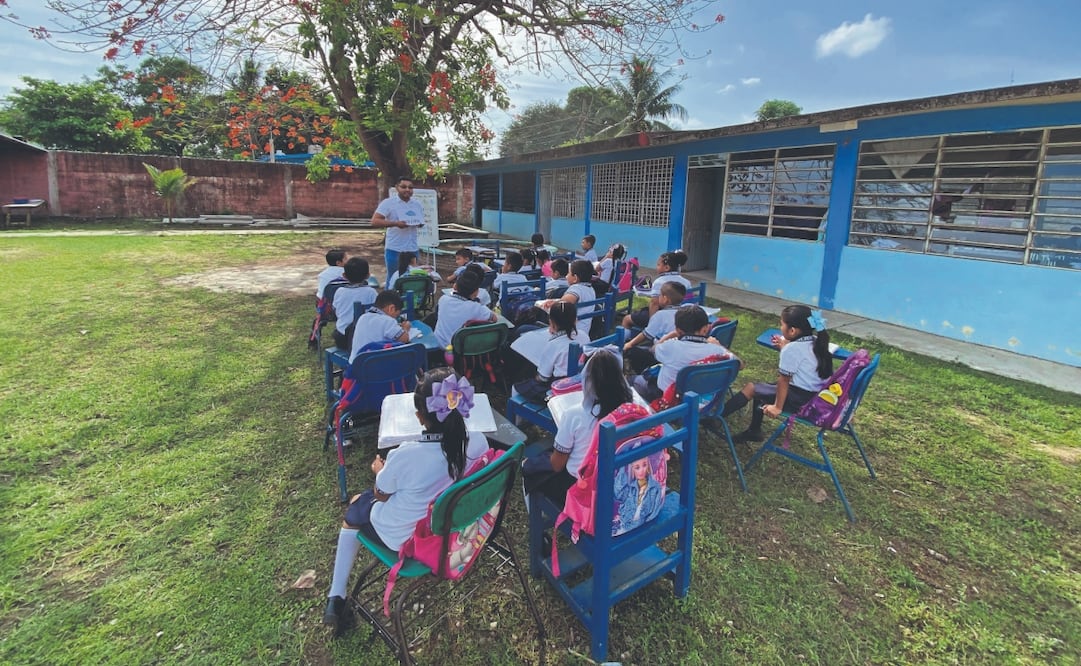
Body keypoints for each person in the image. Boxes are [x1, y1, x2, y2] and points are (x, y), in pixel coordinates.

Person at [322, 369, 488, 636]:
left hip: (406, 536)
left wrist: (379, 470)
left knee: (355, 508)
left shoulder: (406, 455)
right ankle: (336, 598)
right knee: (363, 502)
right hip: (446, 526)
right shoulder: (477, 442)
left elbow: (381, 494)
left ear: (421, 417)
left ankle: (336, 597)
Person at [521, 348, 631, 507]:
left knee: (530, 467)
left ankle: (539, 526)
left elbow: (557, 465)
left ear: (587, 380)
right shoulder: (630, 410)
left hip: (583, 490)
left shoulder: (575, 414)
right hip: (620, 483)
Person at [722, 305, 833, 443]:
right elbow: (800, 362)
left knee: (751, 388)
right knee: (762, 389)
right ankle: (754, 431)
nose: (780, 328)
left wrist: (777, 407)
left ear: (792, 331)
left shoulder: (792, 349)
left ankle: (715, 417)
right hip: (816, 395)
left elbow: (784, 381)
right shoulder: (816, 341)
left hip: (801, 400)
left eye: (781, 325)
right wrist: (784, 347)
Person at [633, 305, 732, 402]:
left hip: (668, 400)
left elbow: (654, 349)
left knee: (633, 380)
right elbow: (739, 364)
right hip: (703, 401)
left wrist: (671, 334)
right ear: (705, 329)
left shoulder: (670, 346)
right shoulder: (716, 350)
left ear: (678, 330)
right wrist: (720, 346)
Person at [509, 301, 578, 401]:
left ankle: (517, 415)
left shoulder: (553, 344)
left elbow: (543, 378)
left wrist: (534, 377)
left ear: (551, 322)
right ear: (575, 320)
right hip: (577, 383)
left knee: (517, 387)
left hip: (556, 389)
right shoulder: (584, 335)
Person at [371, 175, 424, 288]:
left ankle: (409, 302)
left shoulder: (417, 204)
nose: (407, 190)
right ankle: (388, 302)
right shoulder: (388, 203)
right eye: (403, 187)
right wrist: (395, 224)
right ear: (397, 187)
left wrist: (419, 223)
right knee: (393, 277)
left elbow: (420, 221)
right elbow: (375, 221)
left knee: (412, 277)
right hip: (395, 249)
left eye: (410, 187)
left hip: (412, 248)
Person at [623, 281, 687, 374]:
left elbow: (646, 335)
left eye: (660, 295)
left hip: (661, 354)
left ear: (665, 299)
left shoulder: (660, 315)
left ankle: (642, 373)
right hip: (678, 352)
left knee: (631, 352)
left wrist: (630, 344)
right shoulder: (685, 312)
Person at [621, 249, 692, 329]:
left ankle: (626, 340)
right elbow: (689, 301)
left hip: (662, 314)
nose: (656, 267)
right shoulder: (687, 282)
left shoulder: (659, 282)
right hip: (682, 315)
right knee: (641, 312)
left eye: (658, 264)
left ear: (666, 267)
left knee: (626, 319)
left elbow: (654, 303)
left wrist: (652, 323)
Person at [433, 269, 497, 348]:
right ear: (476, 292)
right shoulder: (477, 308)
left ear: (455, 286)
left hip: (440, 346)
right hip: (461, 351)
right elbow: (494, 318)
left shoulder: (443, 299)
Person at [540, 259, 596, 341]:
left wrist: (551, 304)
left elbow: (561, 307)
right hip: (583, 331)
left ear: (575, 278)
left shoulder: (576, 289)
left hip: (568, 333)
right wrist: (556, 301)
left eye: (569, 273)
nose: (566, 276)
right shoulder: (590, 289)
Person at [349, 291, 412, 362]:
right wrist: (405, 328)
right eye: (396, 316)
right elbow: (404, 339)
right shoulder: (388, 320)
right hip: (375, 365)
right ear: (391, 308)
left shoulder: (363, 317)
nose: (395, 319)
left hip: (355, 365)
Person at [332, 257, 378, 351]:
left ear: (344, 275)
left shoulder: (339, 291)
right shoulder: (371, 292)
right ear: (368, 275)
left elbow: (335, 310)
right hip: (365, 338)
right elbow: (377, 313)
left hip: (342, 337)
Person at [614, 456, 664, 533]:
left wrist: (647, 526)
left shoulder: (654, 487)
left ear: (648, 465)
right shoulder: (630, 487)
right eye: (637, 468)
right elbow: (618, 494)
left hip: (643, 526)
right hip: (624, 525)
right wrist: (622, 467)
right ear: (632, 469)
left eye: (644, 465)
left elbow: (655, 511)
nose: (641, 471)